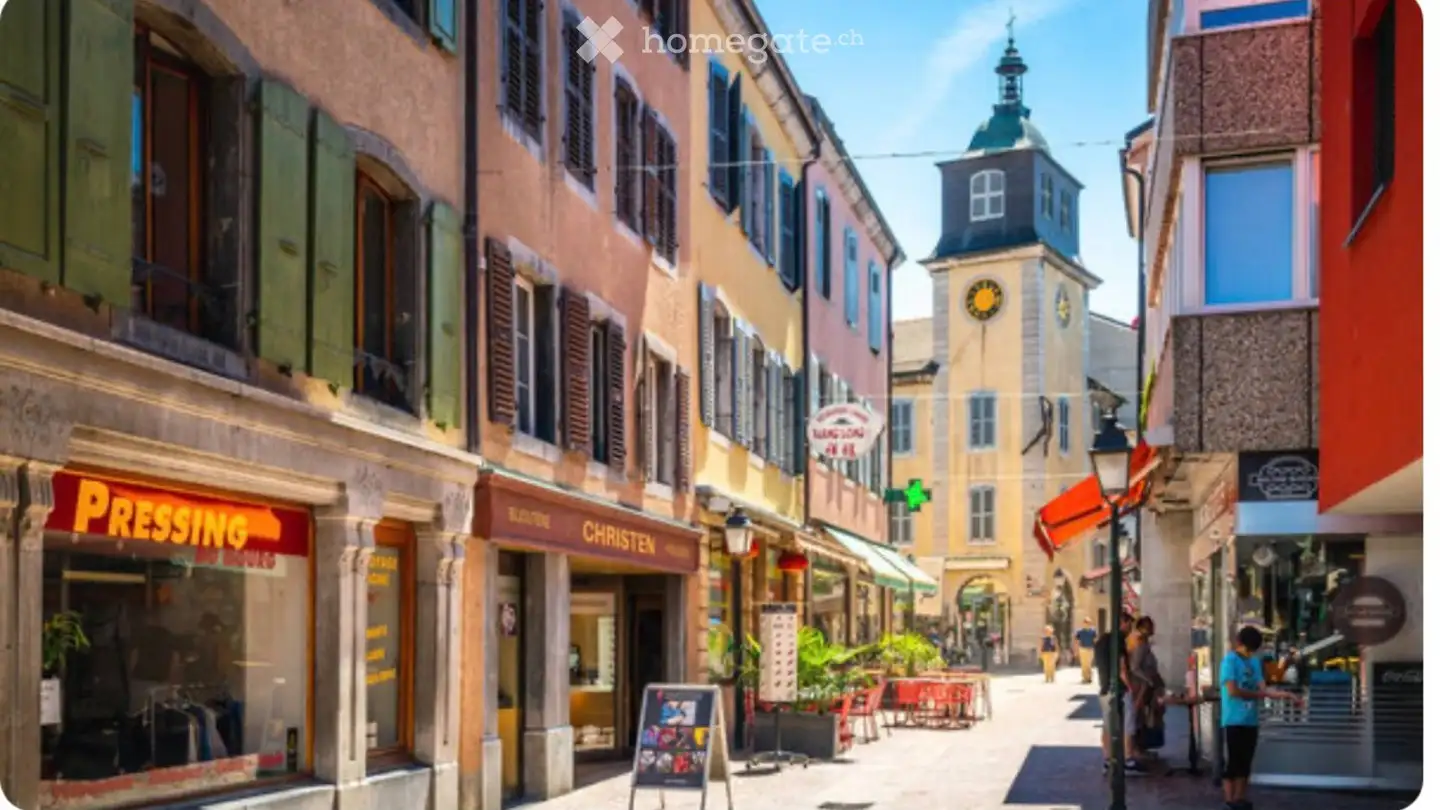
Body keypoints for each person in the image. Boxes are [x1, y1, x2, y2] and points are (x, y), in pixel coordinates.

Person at [1221, 626, 1301, 810]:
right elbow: (1233, 691)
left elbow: (1264, 689)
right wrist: (1259, 695)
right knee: (1234, 761)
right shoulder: (1230, 661)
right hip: (1233, 719)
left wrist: (1287, 695)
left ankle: (1240, 798)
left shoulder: (1255, 663)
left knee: (1246, 761)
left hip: (1250, 719)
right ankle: (1230, 800)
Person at [1094, 611, 1135, 772]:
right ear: (1122, 623)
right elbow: (1122, 667)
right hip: (1119, 689)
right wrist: (1130, 687)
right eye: (1129, 624)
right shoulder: (1118, 640)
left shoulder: (1101, 640)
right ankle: (1128, 759)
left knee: (1107, 725)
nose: (1130, 629)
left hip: (1104, 688)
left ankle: (1107, 759)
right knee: (1128, 724)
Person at [1127, 616, 1165, 766]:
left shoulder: (1144, 644)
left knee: (1144, 717)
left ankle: (1141, 747)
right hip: (1140, 687)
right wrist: (1148, 681)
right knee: (1139, 716)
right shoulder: (1140, 644)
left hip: (1145, 686)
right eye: (1150, 626)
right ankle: (1136, 748)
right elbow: (1135, 667)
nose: (1153, 629)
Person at [1074, 617, 1098, 684]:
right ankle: (1085, 678)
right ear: (1083, 623)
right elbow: (1077, 641)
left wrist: (1096, 648)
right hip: (1082, 649)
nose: (1087, 624)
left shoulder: (1093, 631)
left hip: (1090, 649)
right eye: (1086, 622)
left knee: (1089, 664)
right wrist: (1076, 650)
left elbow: (1095, 640)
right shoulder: (1079, 631)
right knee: (1084, 664)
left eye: (1089, 623)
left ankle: (1089, 677)